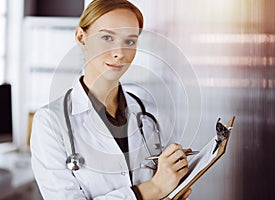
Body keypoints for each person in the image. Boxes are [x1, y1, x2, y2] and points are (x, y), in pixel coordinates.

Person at [30, 0, 191, 199]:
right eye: (107, 37)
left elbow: (167, 186)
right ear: (81, 38)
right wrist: (154, 189)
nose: (120, 53)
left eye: (130, 42)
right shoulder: (49, 122)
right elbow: (157, 187)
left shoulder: (150, 115)